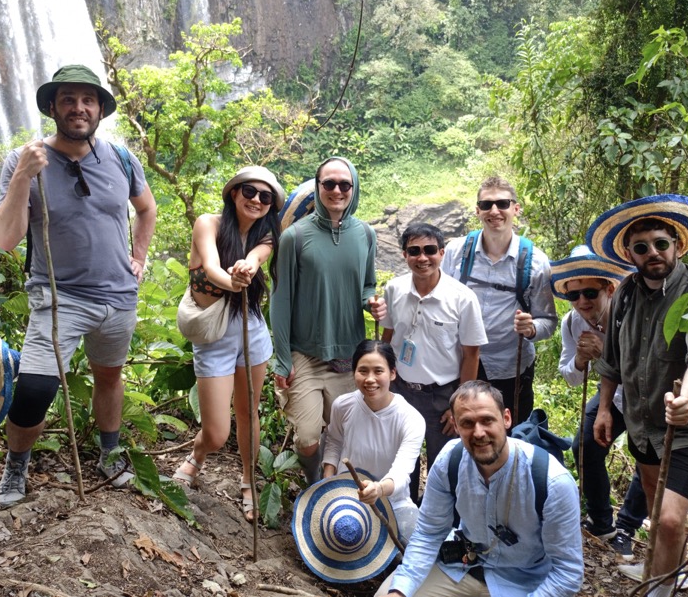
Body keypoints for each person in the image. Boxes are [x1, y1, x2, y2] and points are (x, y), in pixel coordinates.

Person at [0, 64, 157, 503]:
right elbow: (6, 237)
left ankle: (108, 452)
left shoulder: (121, 158)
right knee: (34, 390)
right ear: (52, 107)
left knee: (109, 376)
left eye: (88, 100)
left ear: (100, 109)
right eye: (68, 99)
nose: (78, 108)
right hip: (60, 299)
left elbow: (146, 209)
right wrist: (24, 175)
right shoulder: (24, 161)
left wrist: (138, 258)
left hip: (118, 297)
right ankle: (15, 467)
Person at [588, 195, 688, 595]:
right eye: (642, 247)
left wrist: (686, 398)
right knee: (654, 503)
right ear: (631, 255)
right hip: (642, 423)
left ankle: (659, 587)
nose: (653, 252)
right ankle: (666, 567)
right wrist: (603, 410)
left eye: (660, 243)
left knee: (669, 519)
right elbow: (612, 363)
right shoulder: (625, 296)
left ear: (678, 246)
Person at [377, 381, 583, 597]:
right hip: (463, 566)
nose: (478, 432)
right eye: (467, 423)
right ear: (455, 426)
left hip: (523, 583)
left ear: (506, 419)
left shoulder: (551, 481)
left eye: (487, 420)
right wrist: (400, 591)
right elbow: (429, 532)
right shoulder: (450, 460)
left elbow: (567, 572)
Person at [172, 166, 284, 522]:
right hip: (214, 334)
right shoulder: (209, 224)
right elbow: (211, 265)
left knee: (248, 411)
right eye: (249, 192)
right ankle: (198, 454)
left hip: (250, 330)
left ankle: (249, 480)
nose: (256, 200)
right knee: (218, 432)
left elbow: (255, 258)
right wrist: (233, 281)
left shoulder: (266, 236)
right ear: (234, 193)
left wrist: (247, 268)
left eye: (265, 197)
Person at [270, 157, 387, 484]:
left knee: (346, 437)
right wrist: (281, 358)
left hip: (349, 358)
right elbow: (280, 301)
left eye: (344, 184)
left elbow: (367, 284)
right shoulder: (294, 237)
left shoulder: (365, 234)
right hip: (304, 353)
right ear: (318, 187)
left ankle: (335, 490)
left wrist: (371, 303)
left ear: (354, 188)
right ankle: (315, 481)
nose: (337, 190)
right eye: (329, 184)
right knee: (308, 439)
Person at [551, 245, 646, 560]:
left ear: (609, 287)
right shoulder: (572, 323)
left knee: (648, 460)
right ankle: (601, 522)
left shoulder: (633, 314)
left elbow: (649, 365)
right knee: (585, 446)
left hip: (648, 398)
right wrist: (580, 358)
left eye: (589, 292)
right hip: (615, 397)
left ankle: (628, 528)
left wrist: (607, 349)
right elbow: (571, 377)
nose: (581, 302)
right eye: (573, 296)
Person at [381, 222, 487, 504]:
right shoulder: (394, 290)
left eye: (430, 250)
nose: (422, 257)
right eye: (414, 251)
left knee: (445, 466)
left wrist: (459, 406)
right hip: (402, 391)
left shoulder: (462, 298)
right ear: (405, 255)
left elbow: (471, 354)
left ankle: (443, 530)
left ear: (441, 253)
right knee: (404, 464)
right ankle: (406, 522)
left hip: (443, 396)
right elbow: (388, 339)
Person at [441, 176, 557, 425]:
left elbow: (548, 320)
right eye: (486, 205)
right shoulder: (456, 251)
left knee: (511, 434)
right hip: (459, 361)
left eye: (502, 203)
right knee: (464, 429)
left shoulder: (536, 262)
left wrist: (532, 328)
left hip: (511, 368)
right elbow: (440, 300)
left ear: (516, 209)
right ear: (477, 211)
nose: (494, 211)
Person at [323, 340, 426, 538]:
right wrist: (328, 481)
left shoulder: (411, 419)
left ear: (393, 373)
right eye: (363, 371)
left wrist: (378, 489)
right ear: (354, 373)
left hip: (393, 502)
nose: (370, 379)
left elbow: (402, 473)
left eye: (378, 371)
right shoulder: (342, 405)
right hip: (345, 499)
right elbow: (334, 443)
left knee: (413, 549)